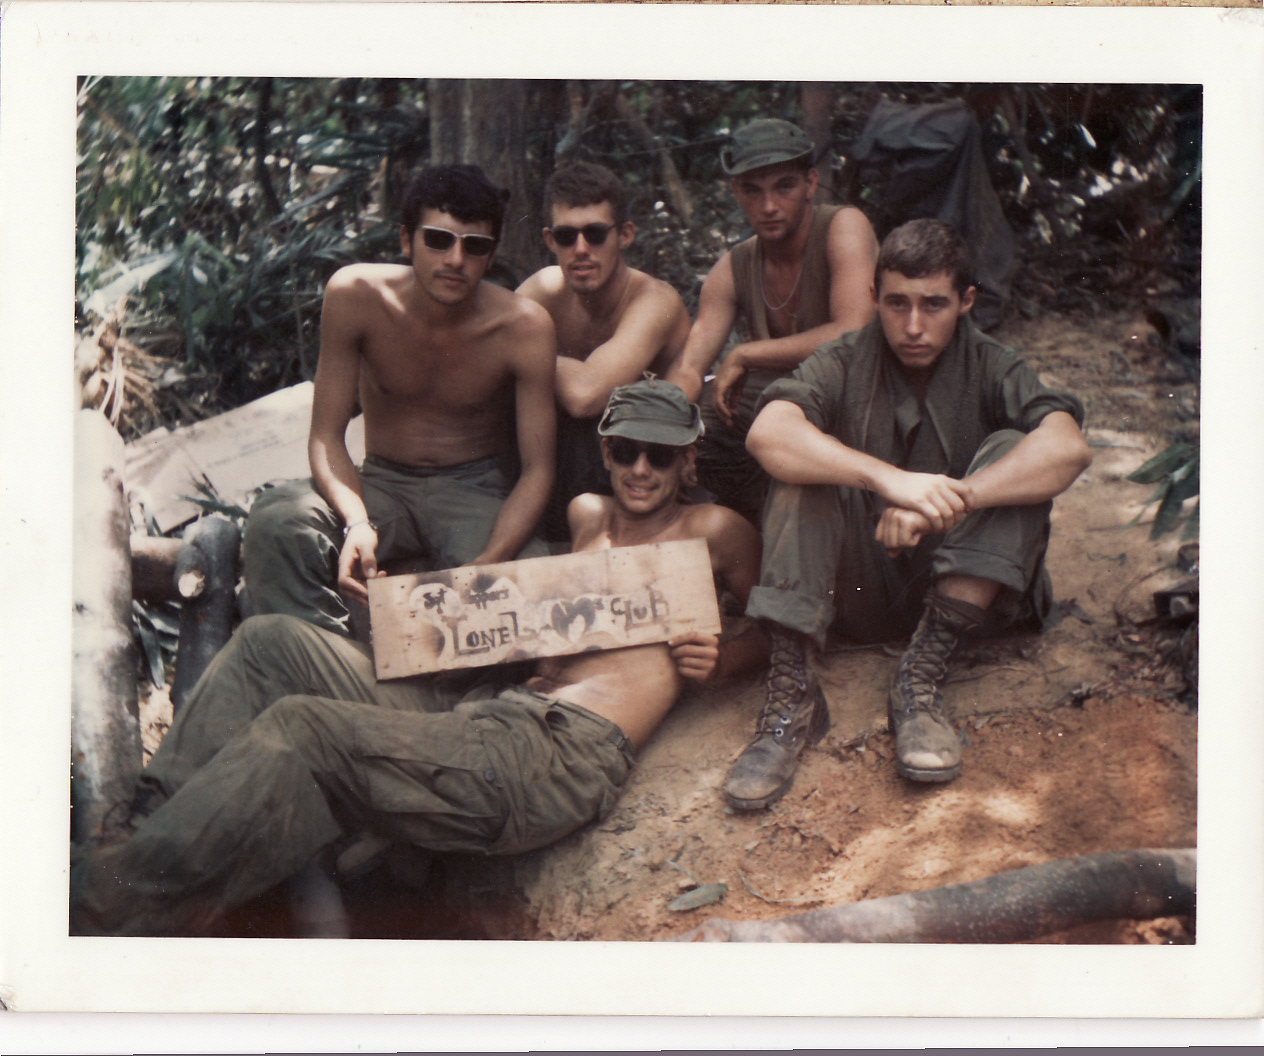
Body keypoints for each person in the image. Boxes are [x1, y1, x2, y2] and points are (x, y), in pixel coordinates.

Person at [71, 380, 766, 936]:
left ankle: (104, 904)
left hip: (558, 755)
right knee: (267, 645)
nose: (641, 469)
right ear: (607, 453)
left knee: (301, 731)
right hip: (490, 713)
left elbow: (776, 625)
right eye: (626, 451)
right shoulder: (587, 515)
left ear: (688, 462)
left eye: (661, 454)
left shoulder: (711, 531)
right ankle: (140, 827)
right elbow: (528, 609)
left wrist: (725, 659)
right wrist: (417, 617)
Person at [723, 219, 1092, 810]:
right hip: (861, 585)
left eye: (934, 305)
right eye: (896, 303)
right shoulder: (844, 357)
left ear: (966, 301)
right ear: (873, 297)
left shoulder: (994, 363)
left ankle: (918, 682)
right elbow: (770, 432)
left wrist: (951, 500)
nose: (913, 326)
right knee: (802, 472)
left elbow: (1068, 448)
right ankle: (793, 695)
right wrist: (889, 480)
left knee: (1013, 455)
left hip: (964, 587)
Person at [241, 164, 556, 637]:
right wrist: (356, 522)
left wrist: (489, 562)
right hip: (382, 482)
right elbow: (327, 437)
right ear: (407, 240)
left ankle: (460, 699)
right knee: (276, 520)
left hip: (473, 491)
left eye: (475, 246)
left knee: (530, 581)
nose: (455, 259)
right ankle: (321, 659)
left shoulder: (524, 328)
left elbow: (538, 470)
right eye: (438, 240)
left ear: (491, 257)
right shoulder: (356, 296)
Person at [666, 118, 879, 523]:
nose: (768, 206)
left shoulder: (843, 226)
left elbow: (853, 332)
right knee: (699, 415)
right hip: (779, 412)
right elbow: (691, 367)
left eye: (784, 186)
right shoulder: (734, 266)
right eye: (753, 190)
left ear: (811, 184)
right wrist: (665, 434)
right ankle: (748, 523)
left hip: (855, 399)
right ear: (736, 192)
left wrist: (747, 354)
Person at [517, 161, 691, 540]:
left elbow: (585, 395)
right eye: (566, 236)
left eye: (595, 234)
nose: (581, 249)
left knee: (590, 421)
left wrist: (525, 353)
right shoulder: (543, 291)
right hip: (577, 467)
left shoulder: (653, 300)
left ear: (624, 235)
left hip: (651, 467)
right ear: (550, 241)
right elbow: (487, 349)